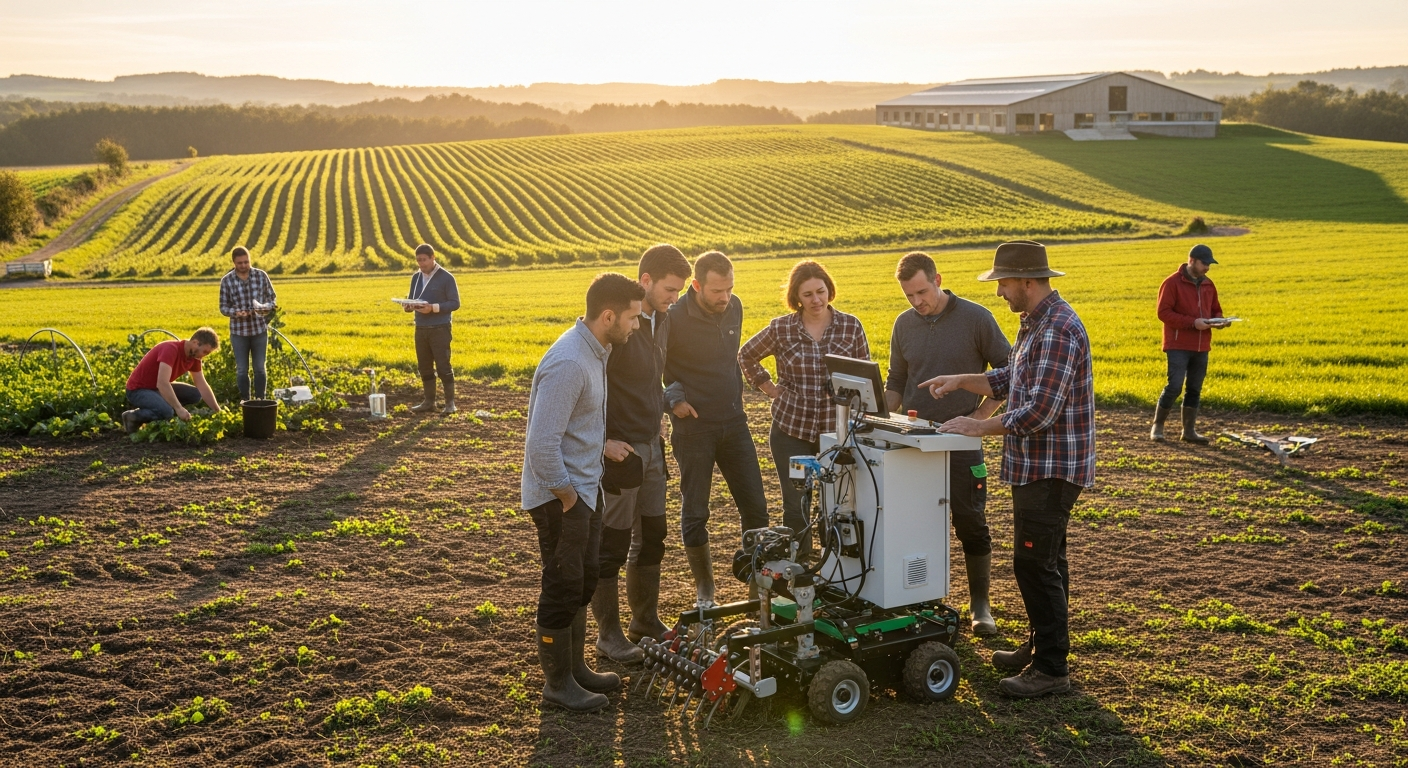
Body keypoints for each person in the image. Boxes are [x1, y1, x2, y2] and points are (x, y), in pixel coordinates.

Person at [919, 241, 1095, 699]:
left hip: (1051, 467)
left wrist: (978, 425)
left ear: (1028, 282)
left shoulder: (1057, 329)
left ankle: (1052, 670)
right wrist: (960, 379)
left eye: (1004, 283)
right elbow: (1009, 381)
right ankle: (1042, 648)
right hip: (1036, 465)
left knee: (1035, 564)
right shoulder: (1035, 323)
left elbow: (1038, 412)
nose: (999, 292)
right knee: (1047, 561)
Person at [522, 272, 645, 712]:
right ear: (608, 315)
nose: (636, 325)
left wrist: (600, 449)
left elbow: (578, 424)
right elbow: (541, 443)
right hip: (562, 498)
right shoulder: (570, 362)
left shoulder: (597, 351)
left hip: (583, 491)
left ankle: (575, 670)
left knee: (582, 579)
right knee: (562, 585)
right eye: (632, 317)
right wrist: (569, 497)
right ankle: (557, 684)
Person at [883, 251, 1011, 637]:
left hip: (962, 441)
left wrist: (977, 420)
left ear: (938, 279)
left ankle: (980, 604)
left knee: (970, 520)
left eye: (922, 291)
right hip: (913, 441)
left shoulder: (976, 318)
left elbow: (1009, 372)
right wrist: (877, 416)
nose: (917, 302)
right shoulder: (904, 324)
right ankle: (917, 599)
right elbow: (896, 382)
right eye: (909, 296)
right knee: (909, 521)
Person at [592, 244, 691, 663]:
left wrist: (669, 401)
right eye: (669, 289)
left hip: (654, 446)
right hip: (622, 452)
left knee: (653, 537)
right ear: (646, 281)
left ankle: (644, 620)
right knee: (612, 545)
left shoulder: (662, 320)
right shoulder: (618, 328)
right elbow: (592, 389)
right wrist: (602, 442)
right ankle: (609, 635)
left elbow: (654, 379)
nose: (674, 297)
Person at [738, 260, 868, 556]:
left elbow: (864, 376)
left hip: (835, 435)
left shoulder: (850, 326)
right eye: (807, 294)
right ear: (797, 297)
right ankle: (802, 572)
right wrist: (769, 387)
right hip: (791, 433)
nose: (816, 300)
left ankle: (835, 571)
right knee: (797, 505)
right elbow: (746, 355)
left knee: (836, 502)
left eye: (820, 291)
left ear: (829, 290)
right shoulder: (782, 328)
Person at [665, 251, 770, 608]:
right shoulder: (673, 318)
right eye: (716, 291)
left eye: (729, 289)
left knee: (756, 507)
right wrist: (674, 400)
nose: (724, 298)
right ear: (695, 286)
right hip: (694, 427)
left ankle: (757, 587)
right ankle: (705, 588)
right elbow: (654, 367)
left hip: (734, 422)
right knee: (695, 511)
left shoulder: (734, 307)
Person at [1152, 243, 1226, 444]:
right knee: (1174, 386)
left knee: (1194, 388)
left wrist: (1218, 320)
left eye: (1209, 264)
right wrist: (1193, 323)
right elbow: (1163, 313)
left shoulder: (1209, 284)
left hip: (1202, 346)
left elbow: (1215, 309)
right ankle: (1157, 426)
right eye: (1205, 263)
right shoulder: (1171, 283)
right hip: (1177, 345)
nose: (1207, 268)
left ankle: (1189, 431)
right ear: (1191, 260)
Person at [120, 328, 223, 434]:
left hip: (156, 388)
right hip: (138, 390)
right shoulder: (170, 349)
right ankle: (132, 416)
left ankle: (162, 406)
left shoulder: (194, 358)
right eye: (205, 351)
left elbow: (202, 385)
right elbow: (162, 383)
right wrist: (179, 408)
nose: (204, 355)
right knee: (167, 412)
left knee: (195, 394)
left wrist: (217, 410)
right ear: (195, 343)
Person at [403, 243, 460, 414]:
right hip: (420, 328)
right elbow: (413, 298)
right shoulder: (415, 277)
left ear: (433, 257)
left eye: (424, 260)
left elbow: (455, 303)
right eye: (418, 260)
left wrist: (433, 308)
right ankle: (429, 402)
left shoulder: (446, 278)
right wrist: (408, 306)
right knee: (424, 366)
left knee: (443, 366)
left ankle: (450, 404)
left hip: (440, 328)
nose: (421, 264)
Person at [218, 246, 278, 401]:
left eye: (246, 262)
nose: (244, 265)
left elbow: (272, 299)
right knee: (242, 370)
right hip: (239, 332)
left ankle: (260, 400)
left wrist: (261, 308)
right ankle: (245, 400)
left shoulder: (261, 276)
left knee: (259, 368)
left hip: (259, 330)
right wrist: (236, 313)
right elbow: (223, 307)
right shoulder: (227, 281)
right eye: (240, 263)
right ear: (234, 263)